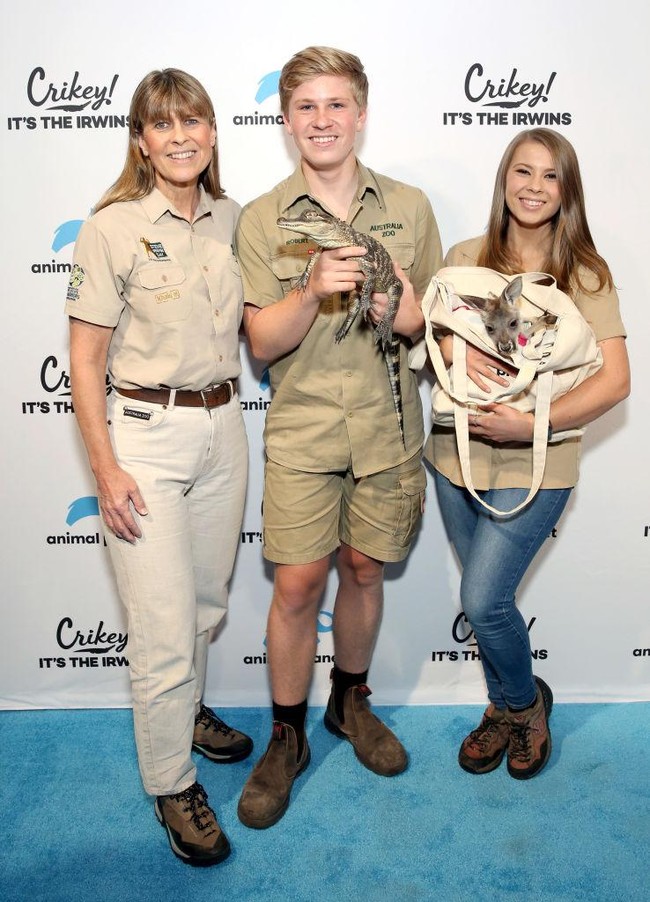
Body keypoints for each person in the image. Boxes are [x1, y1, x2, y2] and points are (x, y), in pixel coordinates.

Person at [234, 46, 442, 828]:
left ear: (360, 112)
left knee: (362, 570)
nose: (322, 120)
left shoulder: (412, 206)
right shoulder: (262, 217)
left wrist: (403, 312)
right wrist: (310, 288)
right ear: (286, 122)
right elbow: (261, 342)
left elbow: (426, 320)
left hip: (389, 425)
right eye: (306, 108)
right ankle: (285, 733)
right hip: (304, 429)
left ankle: (348, 705)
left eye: (336, 104)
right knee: (296, 587)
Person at [66, 68, 252, 866]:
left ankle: (187, 713)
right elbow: (84, 361)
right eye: (162, 124)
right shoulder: (110, 227)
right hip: (144, 434)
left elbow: (261, 323)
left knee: (204, 604)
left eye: (194, 121)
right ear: (141, 141)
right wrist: (105, 469)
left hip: (225, 430)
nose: (180, 136)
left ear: (213, 133)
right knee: (164, 629)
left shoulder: (236, 219)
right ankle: (172, 783)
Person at [428, 128, 630, 779]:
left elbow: (616, 380)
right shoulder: (465, 255)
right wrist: (463, 349)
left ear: (566, 190)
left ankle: (524, 705)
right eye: (523, 171)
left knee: (484, 599)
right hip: (454, 457)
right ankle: (501, 707)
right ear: (504, 179)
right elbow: (431, 337)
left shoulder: (586, 274)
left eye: (550, 175)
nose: (534, 186)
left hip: (537, 465)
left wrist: (532, 425)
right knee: (483, 602)